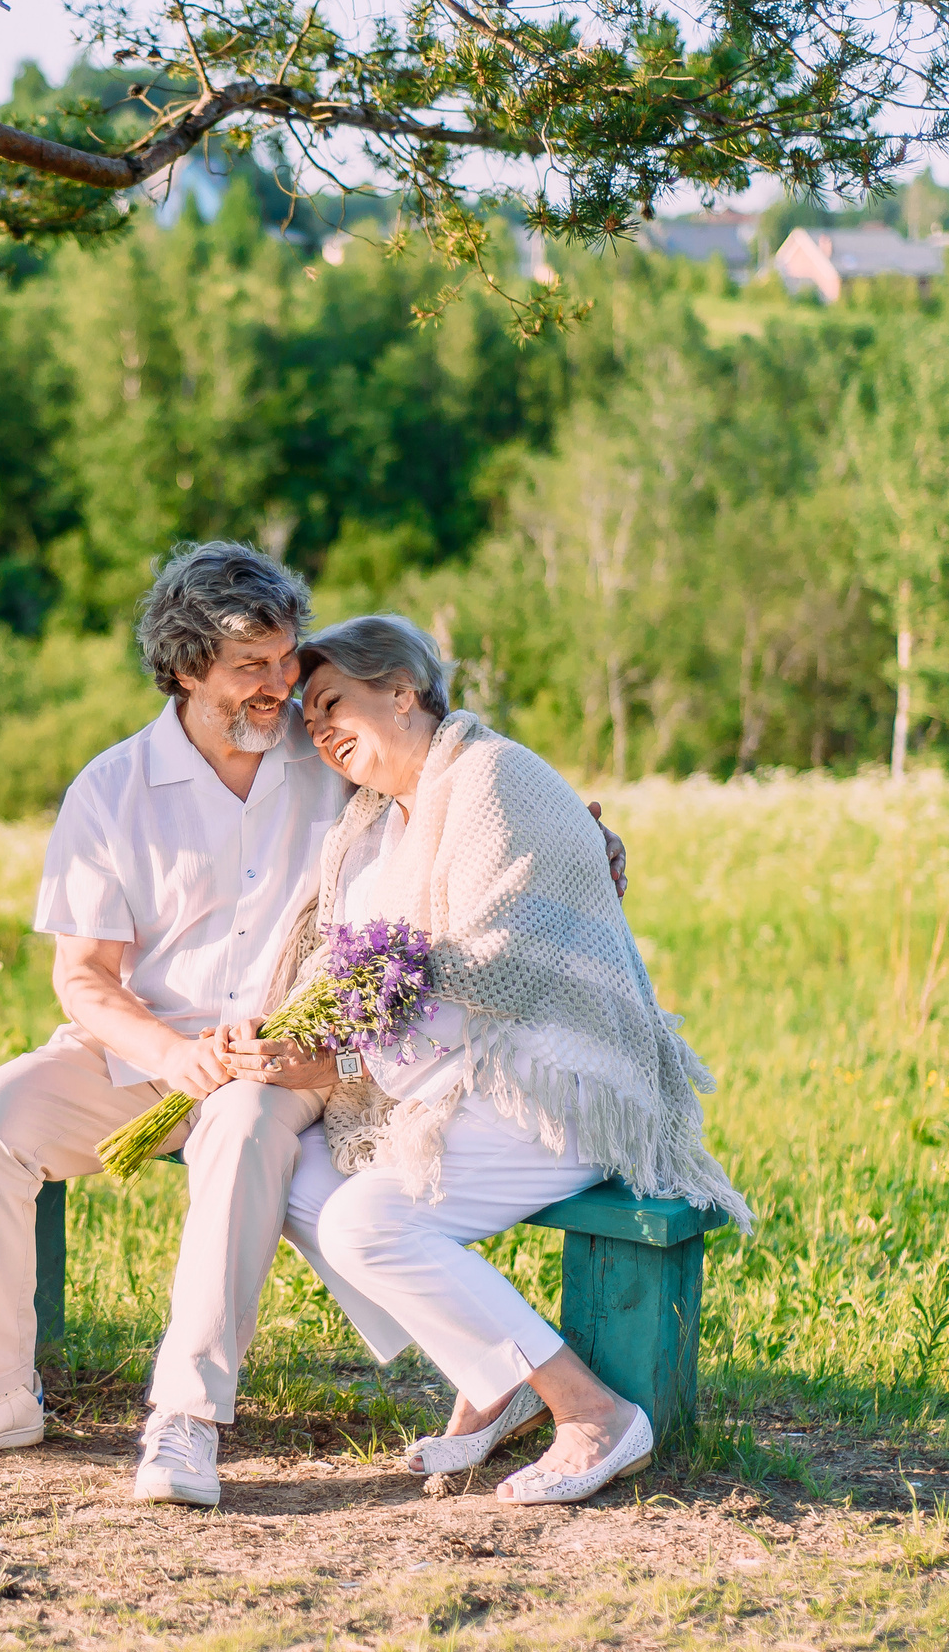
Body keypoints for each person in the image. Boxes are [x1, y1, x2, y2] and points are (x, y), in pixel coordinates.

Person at [0, 547, 632, 1511]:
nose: (281, 684)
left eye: (286, 658)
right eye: (253, 665)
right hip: (141, 1048)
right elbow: (83, 978)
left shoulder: (326, 748)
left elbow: (450, 774)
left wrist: (578, 844)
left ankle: (188, 1416)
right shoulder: (111, 789)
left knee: (246, 1129)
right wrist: (173, 1054)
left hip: (281, 1057)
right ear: (185, 667)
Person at [220, 614, 750, 1507]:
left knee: (365, 1226)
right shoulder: (375, 825)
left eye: (333, 701)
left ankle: (590, 1411)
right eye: (310, 716)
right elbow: (356, 972)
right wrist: (298, 1042)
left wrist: (342, 1048)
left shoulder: (491, 778)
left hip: (555, 1084)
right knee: (300, 1180)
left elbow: (489, 967)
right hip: (449, 1089)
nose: (319, 727)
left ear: (402, 690)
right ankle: (492, 1373)